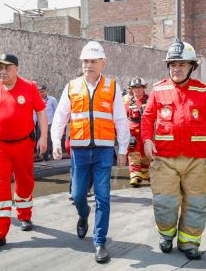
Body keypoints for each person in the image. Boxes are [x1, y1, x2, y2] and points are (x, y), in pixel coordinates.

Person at [142, 40, 206, 260]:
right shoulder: (159, 90)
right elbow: (148, 117)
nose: (176, 69)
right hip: (164, 159)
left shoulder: (202, 91)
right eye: (172, 65)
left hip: (196, 159)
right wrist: (147, 139)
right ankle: (166, 236)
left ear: (191, 67)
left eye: (181, 64)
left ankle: (189, 242)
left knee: (196, 203)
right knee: (165, 203)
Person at [51, 40, 129, 264]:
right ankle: (83, 215)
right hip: (80, 151)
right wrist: (56, 140)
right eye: (85, 61)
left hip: (104, 151)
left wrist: (122, 148)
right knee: (77, 195)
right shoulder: (72, 86)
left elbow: (121, 120)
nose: (88, 65)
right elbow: (60, 117)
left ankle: (100, 242)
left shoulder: (112, 87)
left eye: (93, 61)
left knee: (103, 197)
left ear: (102, 63)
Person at [0, 53, 48, 247]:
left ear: (16, 68)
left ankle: (24, 215)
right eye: (0, 67)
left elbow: (41, 113)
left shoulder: (30, 87)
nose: (3, 71)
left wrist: (43, 137)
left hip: (23, 145)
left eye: (7, 67)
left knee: (25, 183)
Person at [124, 76, 150, 187]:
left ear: (144, 88)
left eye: (140, 87)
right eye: (135, 88)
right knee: (133, 152)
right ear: (131, 89)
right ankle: (135, 175)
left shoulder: (150, 99)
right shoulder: (126, 101)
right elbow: (121, 117)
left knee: (146, 153)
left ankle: (144, 172)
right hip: (132, 131)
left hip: (147, 130)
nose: (137, 90)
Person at [36, 84, 57, 161]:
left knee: (49, 141)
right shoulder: (37, 100)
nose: (41, 93)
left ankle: (49, 156)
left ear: (46, 91)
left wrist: (56, 123)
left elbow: (56, 111)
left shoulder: (52, 100)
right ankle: (43, 156)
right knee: (40, 140)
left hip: (50, 124)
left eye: (43, 91)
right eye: (40, 92)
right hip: (40, 124)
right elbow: (35, 113)